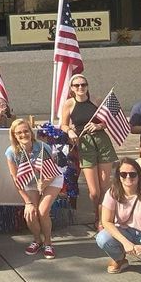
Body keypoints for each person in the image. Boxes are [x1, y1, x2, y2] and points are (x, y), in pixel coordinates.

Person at [59, 74, 116, 230]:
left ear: (87, 85)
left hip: (102, 143)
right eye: (76, 85)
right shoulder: (69, 104)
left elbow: (109, 121)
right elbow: (63, 125)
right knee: (94, 192)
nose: (80, 88)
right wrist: (69, 131)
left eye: (83, 84)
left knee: (105, 187)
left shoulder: (96, 101)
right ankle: (97, 214)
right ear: (71, 89)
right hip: (84, 146)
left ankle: (102, 220)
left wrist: (98, 126)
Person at [5, 118, 64, 259]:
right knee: (30, 213)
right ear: (14, 135)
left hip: (51, 179)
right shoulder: (11, 152)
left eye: (26, 131)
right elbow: (16, 179)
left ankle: (48, 243)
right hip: (30, 183)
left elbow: (52, 170)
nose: (23, 135)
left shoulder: (44, 147)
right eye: (19, 132)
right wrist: (28, 202)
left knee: (43, 212)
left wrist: (44, 183)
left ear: (31, 132)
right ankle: (37, 240)